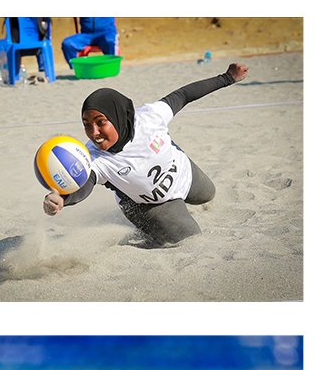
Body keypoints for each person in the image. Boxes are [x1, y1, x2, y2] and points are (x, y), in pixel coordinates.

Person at [40, 64, 250, 245]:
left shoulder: (149, 117)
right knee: (191, 239)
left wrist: (227, 77)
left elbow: (184, 95)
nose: (94, 132)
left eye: (100, 122)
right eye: (87, 125)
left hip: (183, 171)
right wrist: (62, 199)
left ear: (118, 117)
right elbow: (84, 184)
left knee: (208, 194)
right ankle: (142, 220)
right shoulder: (94, 158)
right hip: (151, 205)